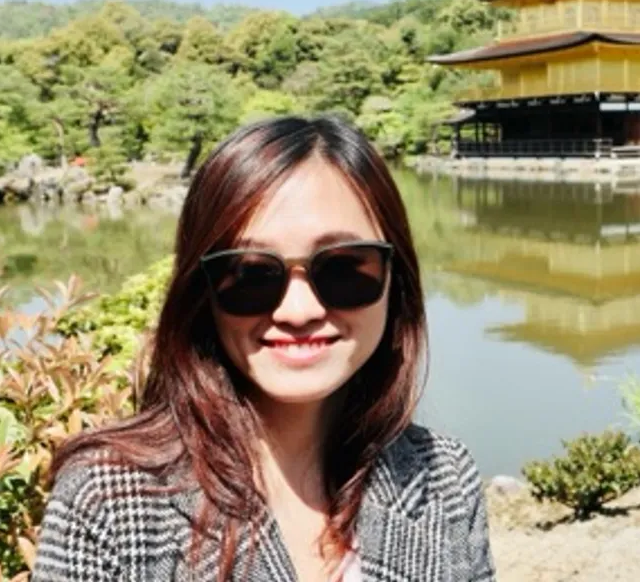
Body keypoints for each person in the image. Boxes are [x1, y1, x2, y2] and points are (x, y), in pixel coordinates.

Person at [33, 115, 496, 582]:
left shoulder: (444, 479)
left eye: (343, 268)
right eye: (250, 274)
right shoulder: (109, 500)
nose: (298, 310)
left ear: (396, 278)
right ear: (202, 293)